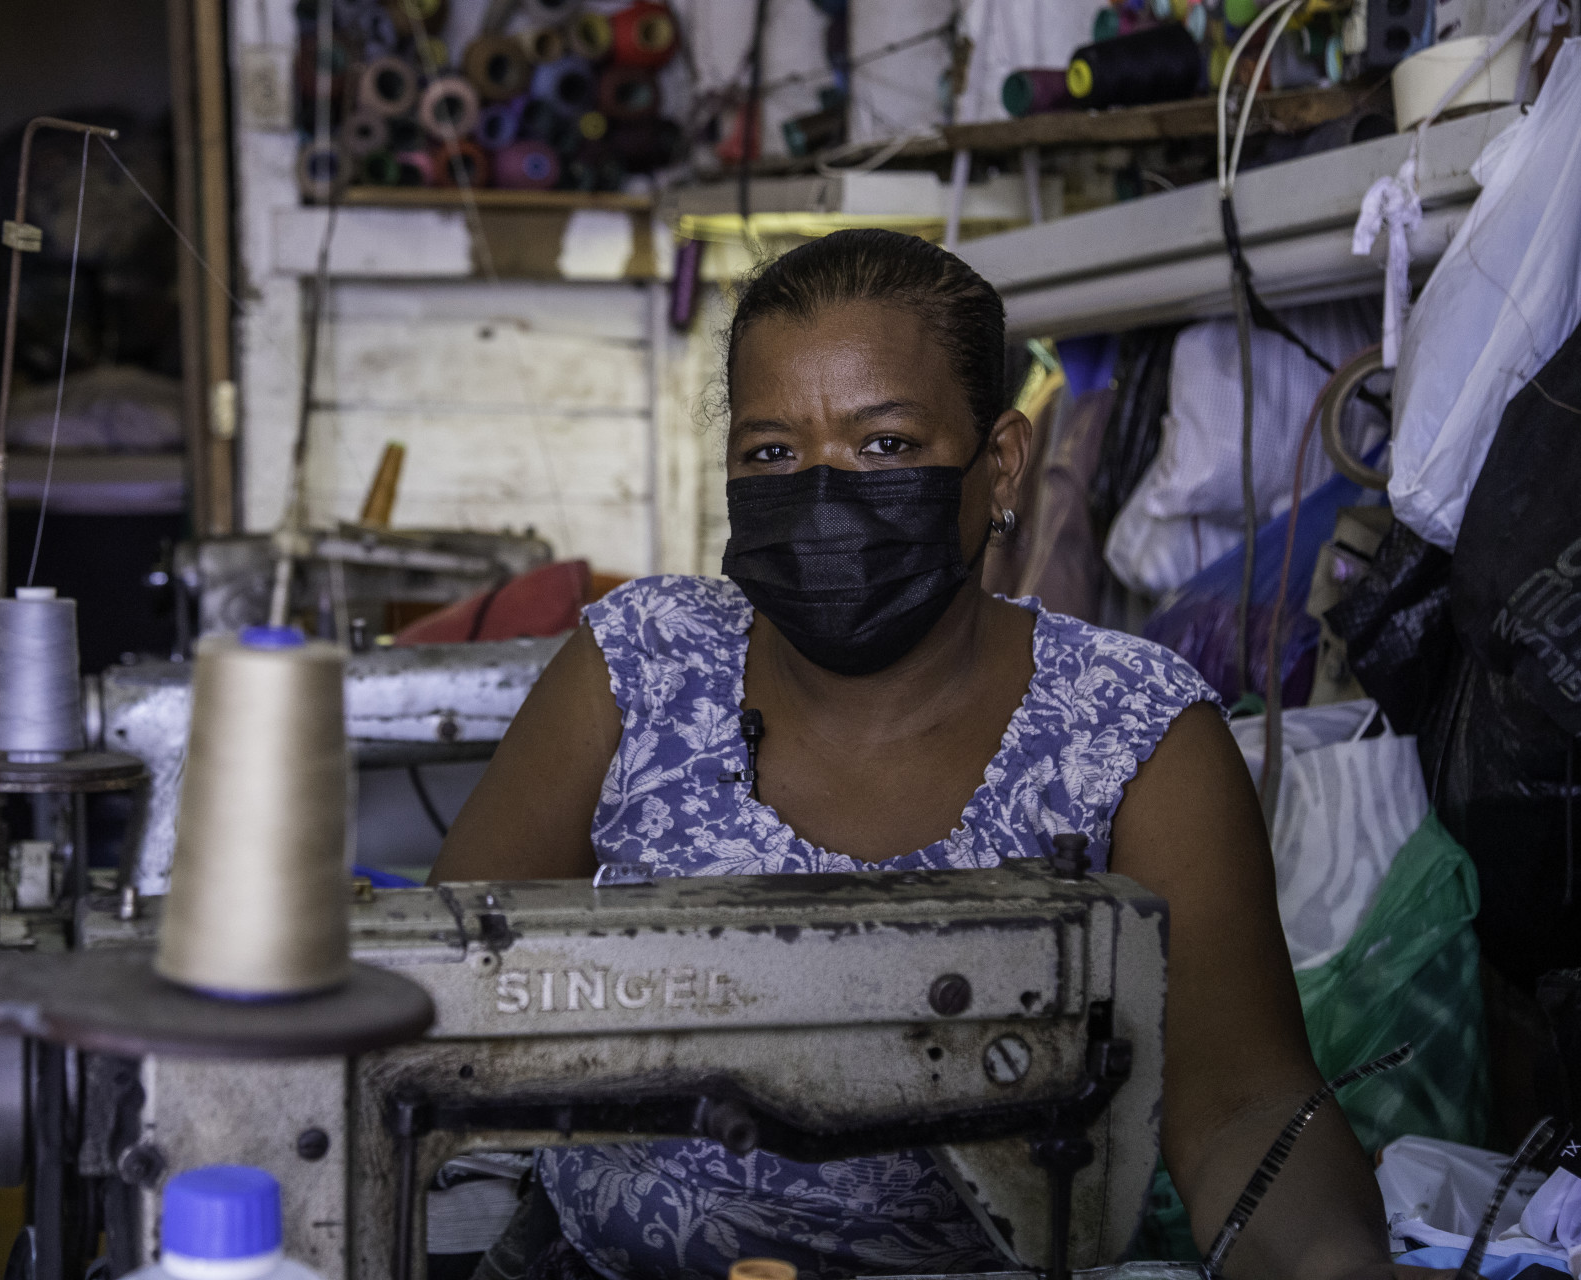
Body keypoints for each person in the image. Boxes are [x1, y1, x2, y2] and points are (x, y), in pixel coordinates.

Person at [432, 231, 1445, 1280]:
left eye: (885, 445)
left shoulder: (1129, 732)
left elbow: (1242, 1104)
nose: (823, 494)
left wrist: (1334, 1265)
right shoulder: (640, 664)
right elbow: (437, 1003)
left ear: (999, 463)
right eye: (772, 453)